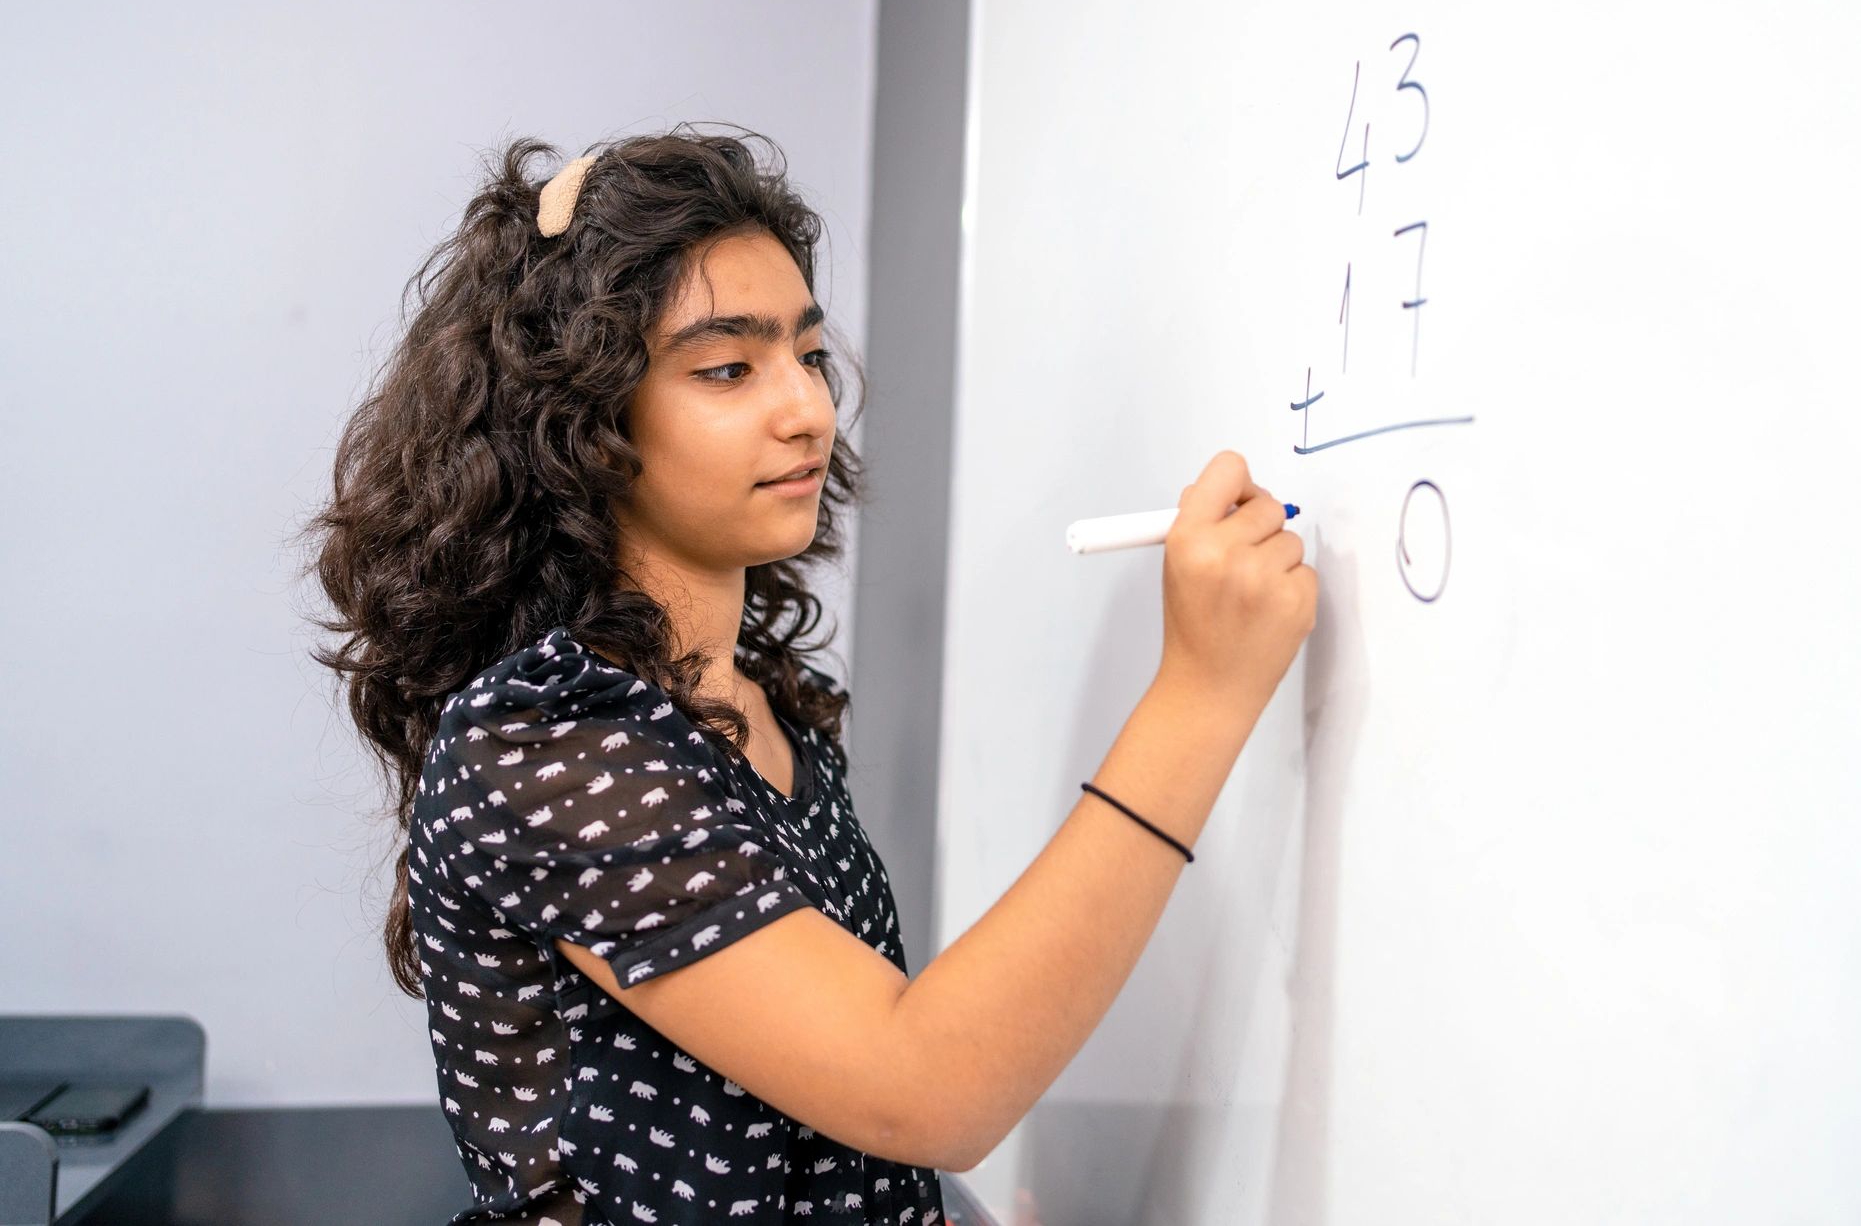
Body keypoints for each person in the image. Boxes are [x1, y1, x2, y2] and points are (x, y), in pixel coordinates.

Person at [300, 124, 1316, 1225]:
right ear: (578, 426)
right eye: (728, 367)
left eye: (809, 354)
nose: (809, 410)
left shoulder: (754, 704)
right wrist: (1201, 693)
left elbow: (823, 1125)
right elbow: (920, 1087)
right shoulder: (546, 742)